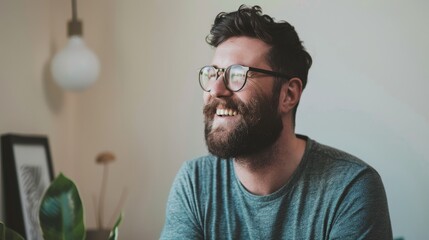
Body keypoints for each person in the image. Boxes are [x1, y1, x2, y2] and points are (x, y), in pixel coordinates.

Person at [161, 5, 392, 240]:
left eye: (237, 74)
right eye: (213, 74)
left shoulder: (350, 188)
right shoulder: (196, 182)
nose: (215, 89)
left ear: (288, 95)